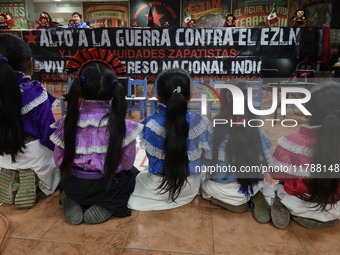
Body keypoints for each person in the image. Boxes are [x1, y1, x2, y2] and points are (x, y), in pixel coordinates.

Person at [51, 48, 142, 225]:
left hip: (75, 184)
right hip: (106, 186)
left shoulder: (66, 123)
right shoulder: (122, 126)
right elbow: (127, 164)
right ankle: (107, 204)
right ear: (113, 89)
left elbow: (59, 161)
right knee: (131, 175)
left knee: (66, 179)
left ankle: (70, 198)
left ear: (80, 88)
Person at [128, 69, 210, 210]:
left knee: (134, 177)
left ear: (158, 96)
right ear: (190, 95)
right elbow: (207, 157)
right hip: (190, 187)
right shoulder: (200, 122)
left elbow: (152, 158)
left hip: (157, 188)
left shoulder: (150, 124)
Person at [0, 33, 60, 209]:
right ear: (29, 63)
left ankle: (10, 170)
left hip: (2, 153)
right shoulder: (35, 92)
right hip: (33, 157)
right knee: (56, 161)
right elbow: (48, 134)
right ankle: (35, 178)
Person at [201, 80, 274, 224]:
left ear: (223, 101)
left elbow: (205, 162)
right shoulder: (257, 131)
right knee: (260, 180)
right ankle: (255, 194)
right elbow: (270, 163)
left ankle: (235, 202)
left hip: (218, 189)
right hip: (249, 185)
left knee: (202, 182)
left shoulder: (212, 130)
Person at [270, 81, 340, 229]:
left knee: (275, 185)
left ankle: (282, 204)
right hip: (335, 207)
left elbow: (275, 174)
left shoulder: (291, 142)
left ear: (309, 111)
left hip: (299, 204)